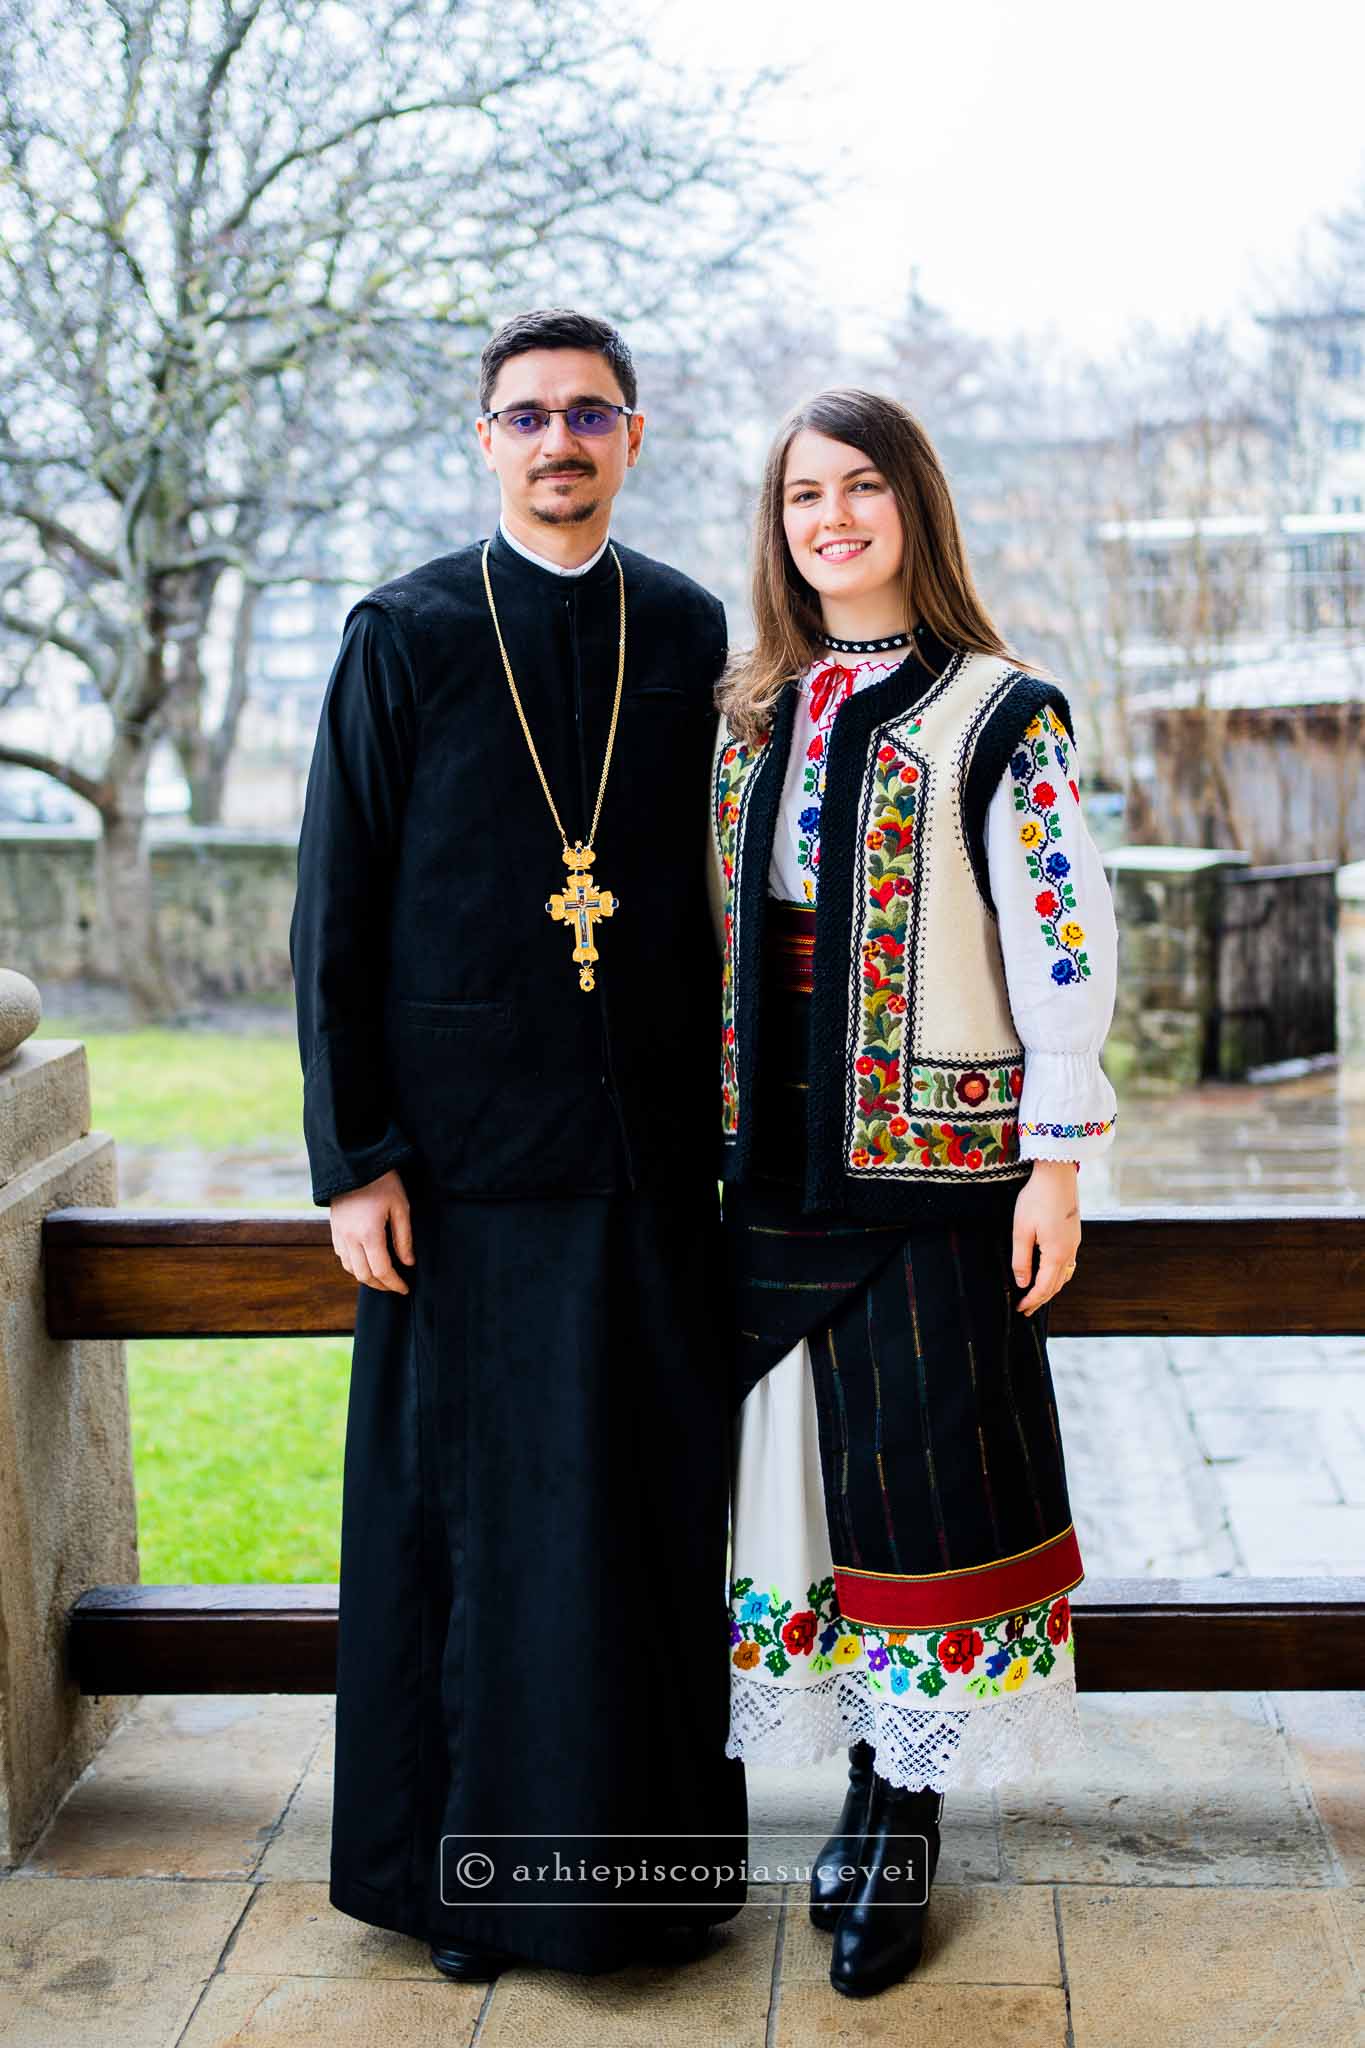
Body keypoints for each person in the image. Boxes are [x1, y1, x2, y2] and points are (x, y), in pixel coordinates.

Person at [289, 307, 747, 1983]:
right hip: (458, 1182)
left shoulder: (687, 626)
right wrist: (353, 1157)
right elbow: (333, 912)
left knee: (640, 1527)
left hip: (648, 1168)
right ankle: (467, 1895)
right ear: (484, 438)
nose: (561, 440)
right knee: (468, 1538)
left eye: (591, 413)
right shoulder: (402, 632)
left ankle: (644, 1890)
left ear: (634, 436)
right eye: (529, 414)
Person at [708, 387, 1119, 2000]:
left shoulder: (998, 711)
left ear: (913, 507)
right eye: (802, 494)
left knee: (924, 1475)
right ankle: (838, 1780)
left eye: (860, 486)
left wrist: (1055, 1160)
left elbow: (1059, 935)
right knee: (797, 1475)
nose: (830, 518)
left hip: (938, 1165)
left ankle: (901, 1811)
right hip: (768, 1159)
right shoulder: (749, 711)